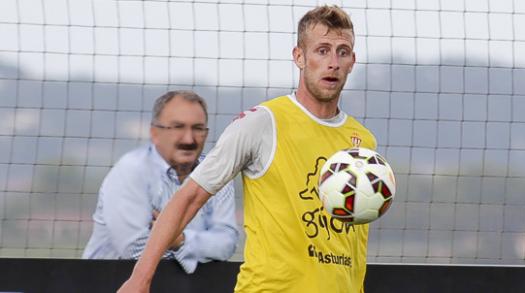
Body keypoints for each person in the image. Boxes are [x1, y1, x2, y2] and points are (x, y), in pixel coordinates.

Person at [119, 5, 376, 292]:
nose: (333, 62)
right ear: (299, 57)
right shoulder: (261, 123)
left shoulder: (362, 141)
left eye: (342, 52)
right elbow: (188, 197)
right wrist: (140, 278)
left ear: (352, 61)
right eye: (322, 50)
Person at [83, 90, 239, 274]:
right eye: (177, 127)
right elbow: (134, 251)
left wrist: (178, 240)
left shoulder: (216, 173)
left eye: (197, 128)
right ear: (155, 133)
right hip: (108, 283)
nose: (189, 139)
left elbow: (226, 244)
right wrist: (195, 246)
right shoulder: (130, 171)